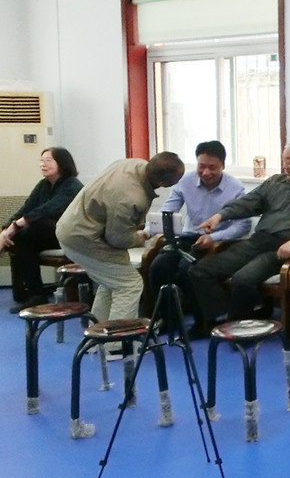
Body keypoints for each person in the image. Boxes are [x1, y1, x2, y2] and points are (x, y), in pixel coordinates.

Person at [190, 141, 290, 325]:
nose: (285, 165)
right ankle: (223, 318)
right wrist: (220, 216)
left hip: (282, 249)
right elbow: (248, 202)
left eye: (289, 161)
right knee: (200, 270)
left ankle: (234, 326)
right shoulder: (275, 182)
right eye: (284, 160)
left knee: (243, 279)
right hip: (257, 241)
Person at [56, 152, 185, 329]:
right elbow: (117, 239)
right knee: (129, 285)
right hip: (84, 239)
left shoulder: (132, 164)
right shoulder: (131, 198)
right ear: (165, 183)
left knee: (112, 282)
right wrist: (142, 238)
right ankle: (117, 340)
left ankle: (99, 334)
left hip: (72, 229)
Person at [148, 141, 251, 336]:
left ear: (223, 165)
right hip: (189, 237)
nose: (206, 172)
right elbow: (167, 210)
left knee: (188, 268)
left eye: (212, 167)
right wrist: (149, 230)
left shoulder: (235, 188)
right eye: (201, 166)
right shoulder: (186, 181)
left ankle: (203, 321)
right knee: (159, 266)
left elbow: (242, 226)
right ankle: (169, 319)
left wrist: (214, 237)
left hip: (220, 242)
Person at [1, 147, 83, 313]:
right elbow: (26, 209)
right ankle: (33, 293)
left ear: (62, 163)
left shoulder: (72, 185)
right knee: (18, 239)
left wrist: (15, 227)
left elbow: (48, 209)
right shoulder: (43, 185)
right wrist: (5, 230)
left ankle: (35, 294)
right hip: (47, 235)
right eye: (41, 160)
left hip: (70, 235)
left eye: (48, 160)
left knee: (36, 224)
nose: (43, 164)